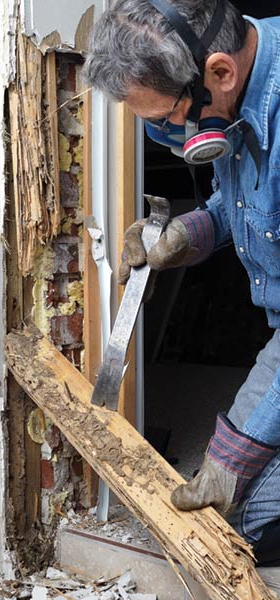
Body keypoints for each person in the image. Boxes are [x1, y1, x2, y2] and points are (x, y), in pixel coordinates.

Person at [83, 0, 280, 564]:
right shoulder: (231, 96)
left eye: (164, 120)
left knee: (240, 510)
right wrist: (185, 235)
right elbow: (242, 202)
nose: (163, 139)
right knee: (228, 501)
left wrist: (234, 453)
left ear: (220, 71)